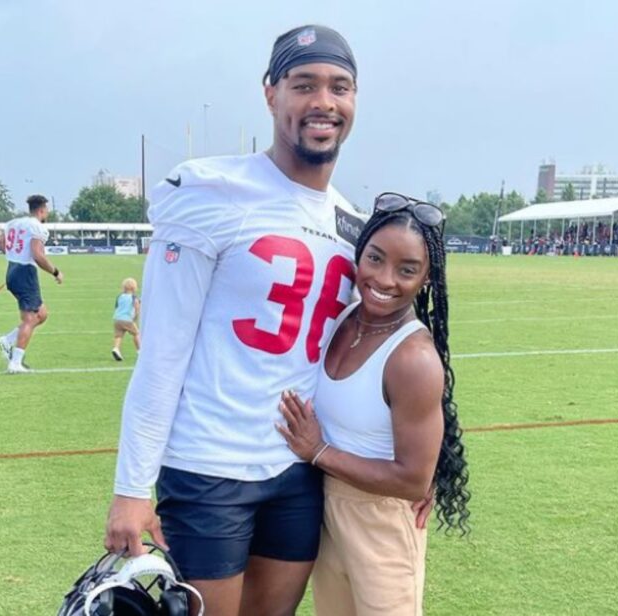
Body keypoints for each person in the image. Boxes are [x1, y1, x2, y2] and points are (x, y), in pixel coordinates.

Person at [105, 24, 363, 616]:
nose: (323, 102)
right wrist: (131, 489)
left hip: (298, 468)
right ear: (271, 93)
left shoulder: (351, 220)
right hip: (209, 464)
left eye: (339, 87)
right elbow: (162, 352)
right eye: (304, 84)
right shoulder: (213, 190)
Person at [277, 195, 471, 615]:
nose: (384, 279)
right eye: (375, 258)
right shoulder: (340, 318)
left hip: (381, 523)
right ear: (359, 254)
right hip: (325, 510)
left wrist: (319, 452)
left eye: (407, 270)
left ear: (427, 279)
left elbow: (413, 480)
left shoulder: (414, 358)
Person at [0, 194, 63, 373]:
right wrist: (55, 272)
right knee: (30, 319)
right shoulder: (37, 227)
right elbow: (37, 255)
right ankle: (15, 363)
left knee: (41, 314)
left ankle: (8, 340)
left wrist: (14, 255)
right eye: (46, 209)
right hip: (25, 272)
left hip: (12, 269)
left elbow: (1, 242)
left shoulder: (13, 223)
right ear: (42, 210)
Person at [111, 277, 141, 360]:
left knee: (118, 336)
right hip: (127, 319)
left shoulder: (120, 296)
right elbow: (137, 308)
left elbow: (117, 307)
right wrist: (135, 318)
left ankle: (116, 348)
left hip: (117, 319)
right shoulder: (134, 298)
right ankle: (140, 350)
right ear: (134, 288)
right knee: (136, 333)